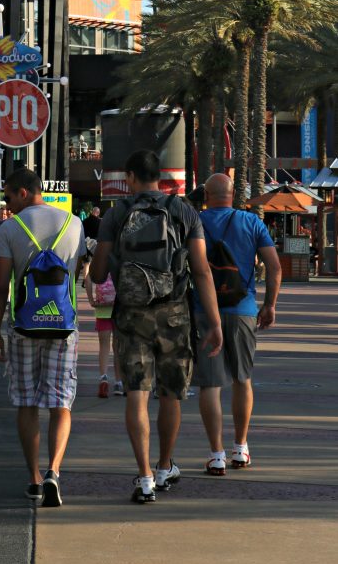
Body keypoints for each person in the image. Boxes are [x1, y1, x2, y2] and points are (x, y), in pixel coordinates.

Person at [90, 149, 223, 504]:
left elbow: (99, 273)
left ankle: (145, 477)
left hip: (131, 315)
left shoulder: (117, 213)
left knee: (136, 394)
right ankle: (164, 466)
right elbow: (202, 270)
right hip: (175, 314)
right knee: (170, 394)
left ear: (131, 178)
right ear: (160, 177)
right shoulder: (182, 211)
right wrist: (214, 321)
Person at [0, 169, 86, 508]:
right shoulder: (74, 224)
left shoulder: (10, 229)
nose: (7, 203)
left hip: (23, 326)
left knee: (27, 400)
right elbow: (76, 272)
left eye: (8, 196)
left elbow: (1, 285)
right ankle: (54, 471)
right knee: (62, 401)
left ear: (23, 193)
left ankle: (33, 477)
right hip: (64, 325)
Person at [195, 173, 281, 475]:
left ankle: (216, 454)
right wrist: (269, 304)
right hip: (243, 309)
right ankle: (241, 447)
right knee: (242, 379)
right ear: (234, 195)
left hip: (204, 311)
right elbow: (274, 267)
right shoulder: (252, 223)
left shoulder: (195, 222)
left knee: (210, 384)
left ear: (206, 194)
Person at [84, 269, 123, 397]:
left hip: (102, 307)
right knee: (118, 347)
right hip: (119, 306)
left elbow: (88, 276)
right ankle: (119, 383)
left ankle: (103, 378)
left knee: (104, 346)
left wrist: (91, 299)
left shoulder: (98, 250)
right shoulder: (122, 250)